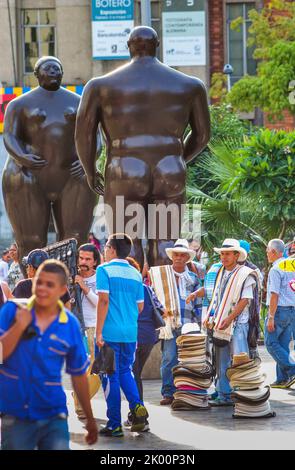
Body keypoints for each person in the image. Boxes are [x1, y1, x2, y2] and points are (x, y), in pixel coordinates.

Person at [75, 26, 210, 267]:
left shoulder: (100, 86)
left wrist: (90, 170)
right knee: (167, 242)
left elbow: (83, 136)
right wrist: (178, 160)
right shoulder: (190, 85)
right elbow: (202, 136)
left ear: (128, 47)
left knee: (126, 243)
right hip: (169, 169)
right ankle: (165, 301)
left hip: (124, 170)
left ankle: (130, 301)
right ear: (158, 46)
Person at [3, 56, 96, 264]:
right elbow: (9, 136)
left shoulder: (79, 103)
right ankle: (32, 283)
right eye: (48, 68)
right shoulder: (19, 104)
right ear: (36, 74)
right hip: (28, 175)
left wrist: (87, 160)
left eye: (57, 68)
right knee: (31, 240)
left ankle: (72, 287)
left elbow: (95, 136)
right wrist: (22, 156)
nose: (53, 71)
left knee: (75, 238)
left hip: (72, 175)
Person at [0, 259, 98, 450]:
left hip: (54, 415)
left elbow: (78, 375)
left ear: (62, 291)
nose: (42, 288)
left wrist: (90, 417)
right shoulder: (12, 311)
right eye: (39, 282)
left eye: (50, 284)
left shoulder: (69, 324)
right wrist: (19, 326)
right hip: (16, 415)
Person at [96, 233, 149, 437]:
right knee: (126, 371)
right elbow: (141, 306)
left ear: (112, 249)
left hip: (109, 334)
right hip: (130, 333)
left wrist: (99, 331)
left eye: (106, 246)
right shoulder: (135, 274)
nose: (104, 250)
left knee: (110, 377)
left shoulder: (104, 270)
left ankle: (115, 424)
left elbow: (103, 301)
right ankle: (137, 407)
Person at [201, 239, 259, 406]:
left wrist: (229, 318)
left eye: (228, 254)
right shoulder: (220, 272)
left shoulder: (245, 273)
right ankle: (224, 394)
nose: (224, 257)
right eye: (222, 254)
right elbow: (216, 297)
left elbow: (244, 301)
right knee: (222, 359)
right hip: (221, 323)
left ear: (236, 255)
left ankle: (243, 394)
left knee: (239, 359)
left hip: (238, 324)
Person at [149, 239, 200, 406]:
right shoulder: (161, 276)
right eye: (176, 254)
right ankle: (168, 392)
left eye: (182, 255)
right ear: (172, 257)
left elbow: (198, 304)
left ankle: (185, 391)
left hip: (188, 324)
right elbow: (153, 298)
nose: (178, 257)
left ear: (187, 257)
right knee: (169, 358)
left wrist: (200, 324)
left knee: (187, 359)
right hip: (168, 324)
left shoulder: (193, 278)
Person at [124, 257, 165, 431]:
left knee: (132, 376)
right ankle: (135, 415)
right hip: (148, 337)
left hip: (132, 337)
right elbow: (161, 309)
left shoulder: (123, 290)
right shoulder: (146, 288)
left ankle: (140, 417)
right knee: (135, 374)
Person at [72, 243, 101, 418]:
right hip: (76, 330)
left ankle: (79, 397)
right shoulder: (70, 278)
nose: (83, 262)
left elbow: (100, 303)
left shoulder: (100, 279)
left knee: (96, 371)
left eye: (87, 259)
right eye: (81, 258)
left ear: (95, 261)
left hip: (93, 327)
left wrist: (84, 287)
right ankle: (80, 405)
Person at [265, 239, 295, 389]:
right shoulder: (291, 266)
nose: (267, 255)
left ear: (274, 252)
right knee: (282, 345)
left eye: (267, 252)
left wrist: (271, 316)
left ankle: (292, 369)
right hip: (291, 310)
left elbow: (274, 294)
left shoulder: (275, 269)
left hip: (279, 310)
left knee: (270, 343)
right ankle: (282, 378)